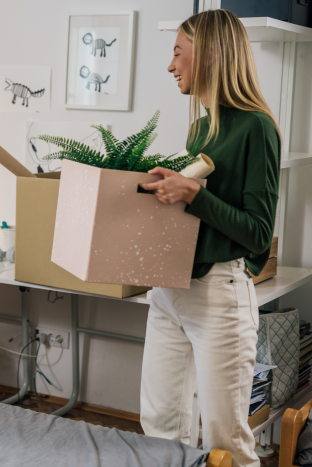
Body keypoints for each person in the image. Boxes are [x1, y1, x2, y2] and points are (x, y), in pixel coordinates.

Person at [139, 10, 280, 467]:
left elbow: (258, 233)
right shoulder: (200, 128)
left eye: (178, 52)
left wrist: (195, 194)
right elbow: (194, 215)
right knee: (159, 427)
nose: (170, 64)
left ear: (213, 54)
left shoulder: (256, 128)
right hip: (169, 291)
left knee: (226, 442)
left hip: (218, 297)